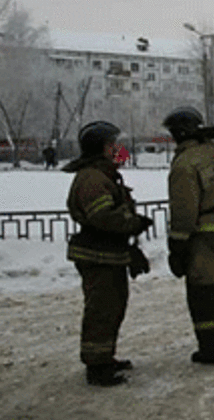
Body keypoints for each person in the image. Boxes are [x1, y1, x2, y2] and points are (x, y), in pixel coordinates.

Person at [63, 121, 153, 386]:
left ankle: (104, 356)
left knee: (113, 306)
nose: (120, 150)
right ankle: (97, 366)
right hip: (97, 254)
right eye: (114, 145)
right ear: (102, 148)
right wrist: (132, 222)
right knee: (102, 310)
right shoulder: (92, 177)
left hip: (109, 253)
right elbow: (102, 217)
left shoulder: (104, 174)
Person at [163, 106, 214, 364]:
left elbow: (184, 208)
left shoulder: (185, 162)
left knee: (205, 291)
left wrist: (177, 246)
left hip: (204, 237)